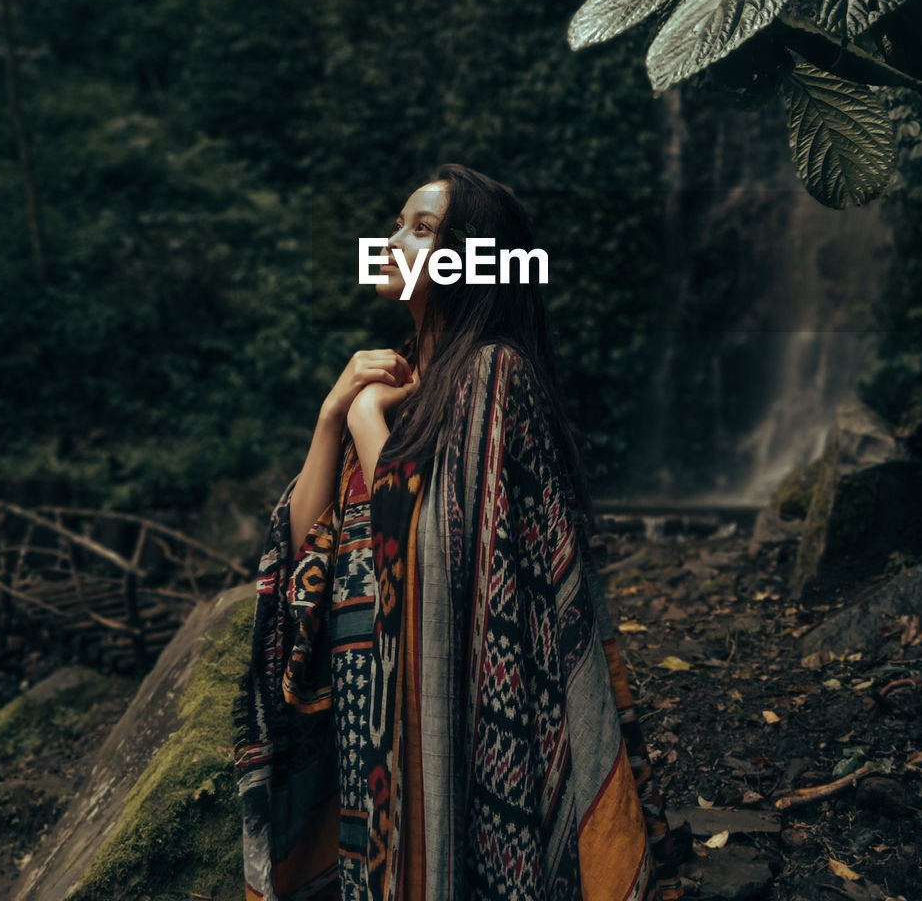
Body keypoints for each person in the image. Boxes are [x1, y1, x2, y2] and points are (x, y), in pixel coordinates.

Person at [235, 164, 680, 901]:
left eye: (420, 228)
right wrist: (331, 414)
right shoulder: (395, 377)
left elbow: (431, 545)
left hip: (456, 704)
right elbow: (306, 546)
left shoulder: (494, 375)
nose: (389, 240)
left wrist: (365, 421)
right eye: (397, 222)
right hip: (370, 706)